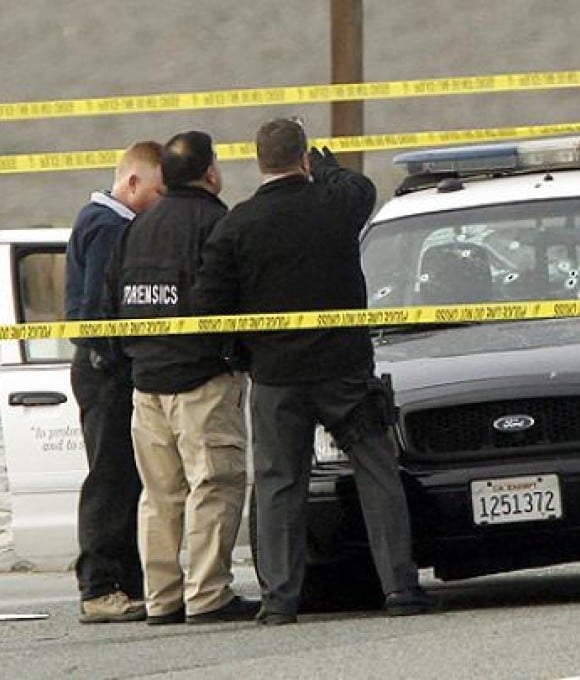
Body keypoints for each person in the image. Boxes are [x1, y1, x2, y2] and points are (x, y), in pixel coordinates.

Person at [194, 118, 437, 626]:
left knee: (280, 483)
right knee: (376, 471)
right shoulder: (335, 205)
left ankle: (279, 600)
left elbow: (209, 305)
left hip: (277, 376)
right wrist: (327, 172)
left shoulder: (236, 225)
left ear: (259, 163)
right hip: (344, 368)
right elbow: (362, 188)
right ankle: (399, 587)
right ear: (304, 158)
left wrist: (240, 354)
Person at [105, 131, 258, 625]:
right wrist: (237, 355)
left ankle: (162, 598)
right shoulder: (217, 222)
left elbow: (111, 300)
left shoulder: (137, 228)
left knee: (159, 496)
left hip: (146, 382)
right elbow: (229, 298)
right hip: (202, 381)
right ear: (210, 173)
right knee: (214, 483)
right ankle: (208, 594)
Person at [66, 141, 164, 624]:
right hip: (104, 371)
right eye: (157, 191)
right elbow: (95, 310)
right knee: (109, 478)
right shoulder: (107, 226)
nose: (160, 203)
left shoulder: (104, 221)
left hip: (103, 366)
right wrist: (116, 358)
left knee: (126, 478)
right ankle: (100, 586)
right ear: (131, 183)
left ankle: (126, 582)